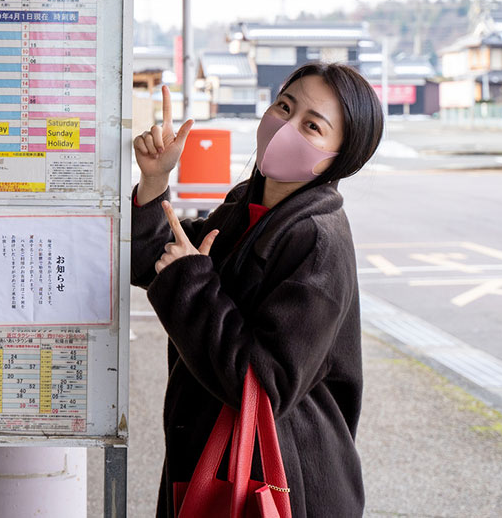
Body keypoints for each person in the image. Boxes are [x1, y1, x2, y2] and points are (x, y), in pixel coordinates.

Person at [131, 63, 383, 518]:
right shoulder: (244, 205)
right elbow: (154, 260)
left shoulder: (317, 240)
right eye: (285, 106)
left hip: (280, 482)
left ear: (342, 156)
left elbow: (264, 384)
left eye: (312, 126)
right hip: (219, 463)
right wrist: (154, 182)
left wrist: (192, 280)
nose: (286, 126)